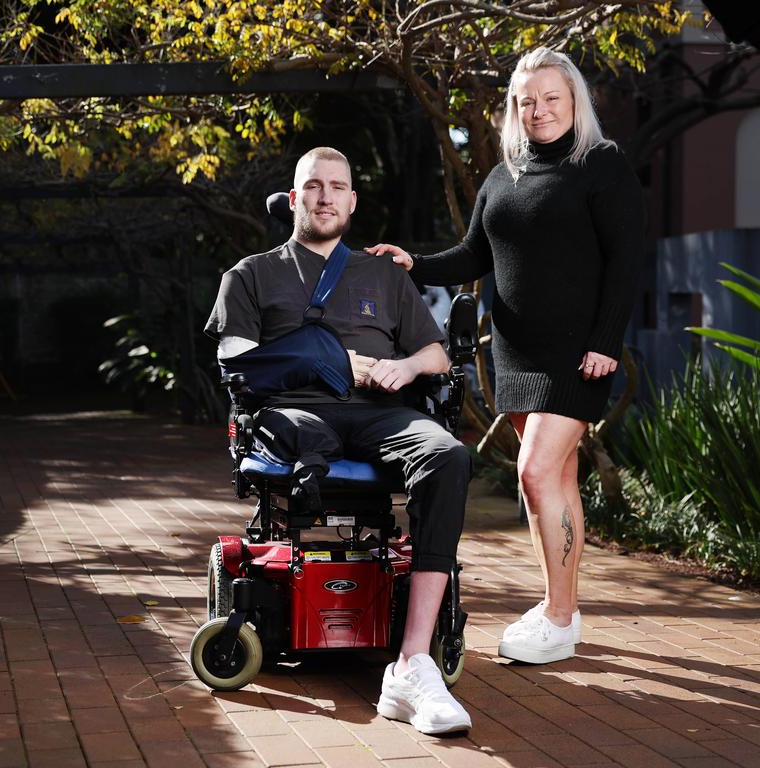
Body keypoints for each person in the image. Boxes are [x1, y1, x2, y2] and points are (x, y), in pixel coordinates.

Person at [366, 47, 646, 665]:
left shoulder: (601, 165)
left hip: (576, 355)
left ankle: (558, 613)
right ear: (513, 110)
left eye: (552, 98)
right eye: (527, 101)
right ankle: (563, 611)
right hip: (517, 354)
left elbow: (627, 261)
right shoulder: (503, 176)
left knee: (534, 473)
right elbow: (474, 256)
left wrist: (606, 340)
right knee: (559, 478)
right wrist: (414, 263)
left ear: (574, 102)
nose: (539, 110)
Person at [205, 146, 472, 735]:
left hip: (382, 414)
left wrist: (405, 369)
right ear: (294, 198)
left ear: (352, 200)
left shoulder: (382, 273)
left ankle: (413, 659)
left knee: (449, 456)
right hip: (297, 419)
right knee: (306, 450)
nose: (325, 196)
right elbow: (240, 366)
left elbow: (436, 352)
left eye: (337, 187)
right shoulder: (251, 275)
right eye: (313, 186)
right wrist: (335, 364)